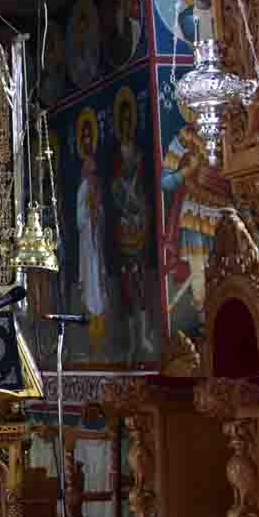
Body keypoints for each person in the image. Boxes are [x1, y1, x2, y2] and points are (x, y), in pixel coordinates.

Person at [111, 94, 153, 357]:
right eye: (123, 121)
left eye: (129, 121)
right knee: (127, 282)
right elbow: (114, 188)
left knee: (141, 280)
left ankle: (144, 336)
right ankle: (131, 341)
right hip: (125, 223)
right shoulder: (118, 156)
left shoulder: (139, 153)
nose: (126, 125)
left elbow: (144, 187)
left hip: (138, 222)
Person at [74, 113, 108, 340]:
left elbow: (102, 210)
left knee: (99, 273)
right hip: (87, 237)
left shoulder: (96, 185)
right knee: (90, 274)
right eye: (89, 169)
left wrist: (99, 211)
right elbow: (79, 217)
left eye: (94, 170)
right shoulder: (83, 187)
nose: (91, 171)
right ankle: (92, 321)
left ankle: (100, 321)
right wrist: (90, 213)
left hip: (97, 236)